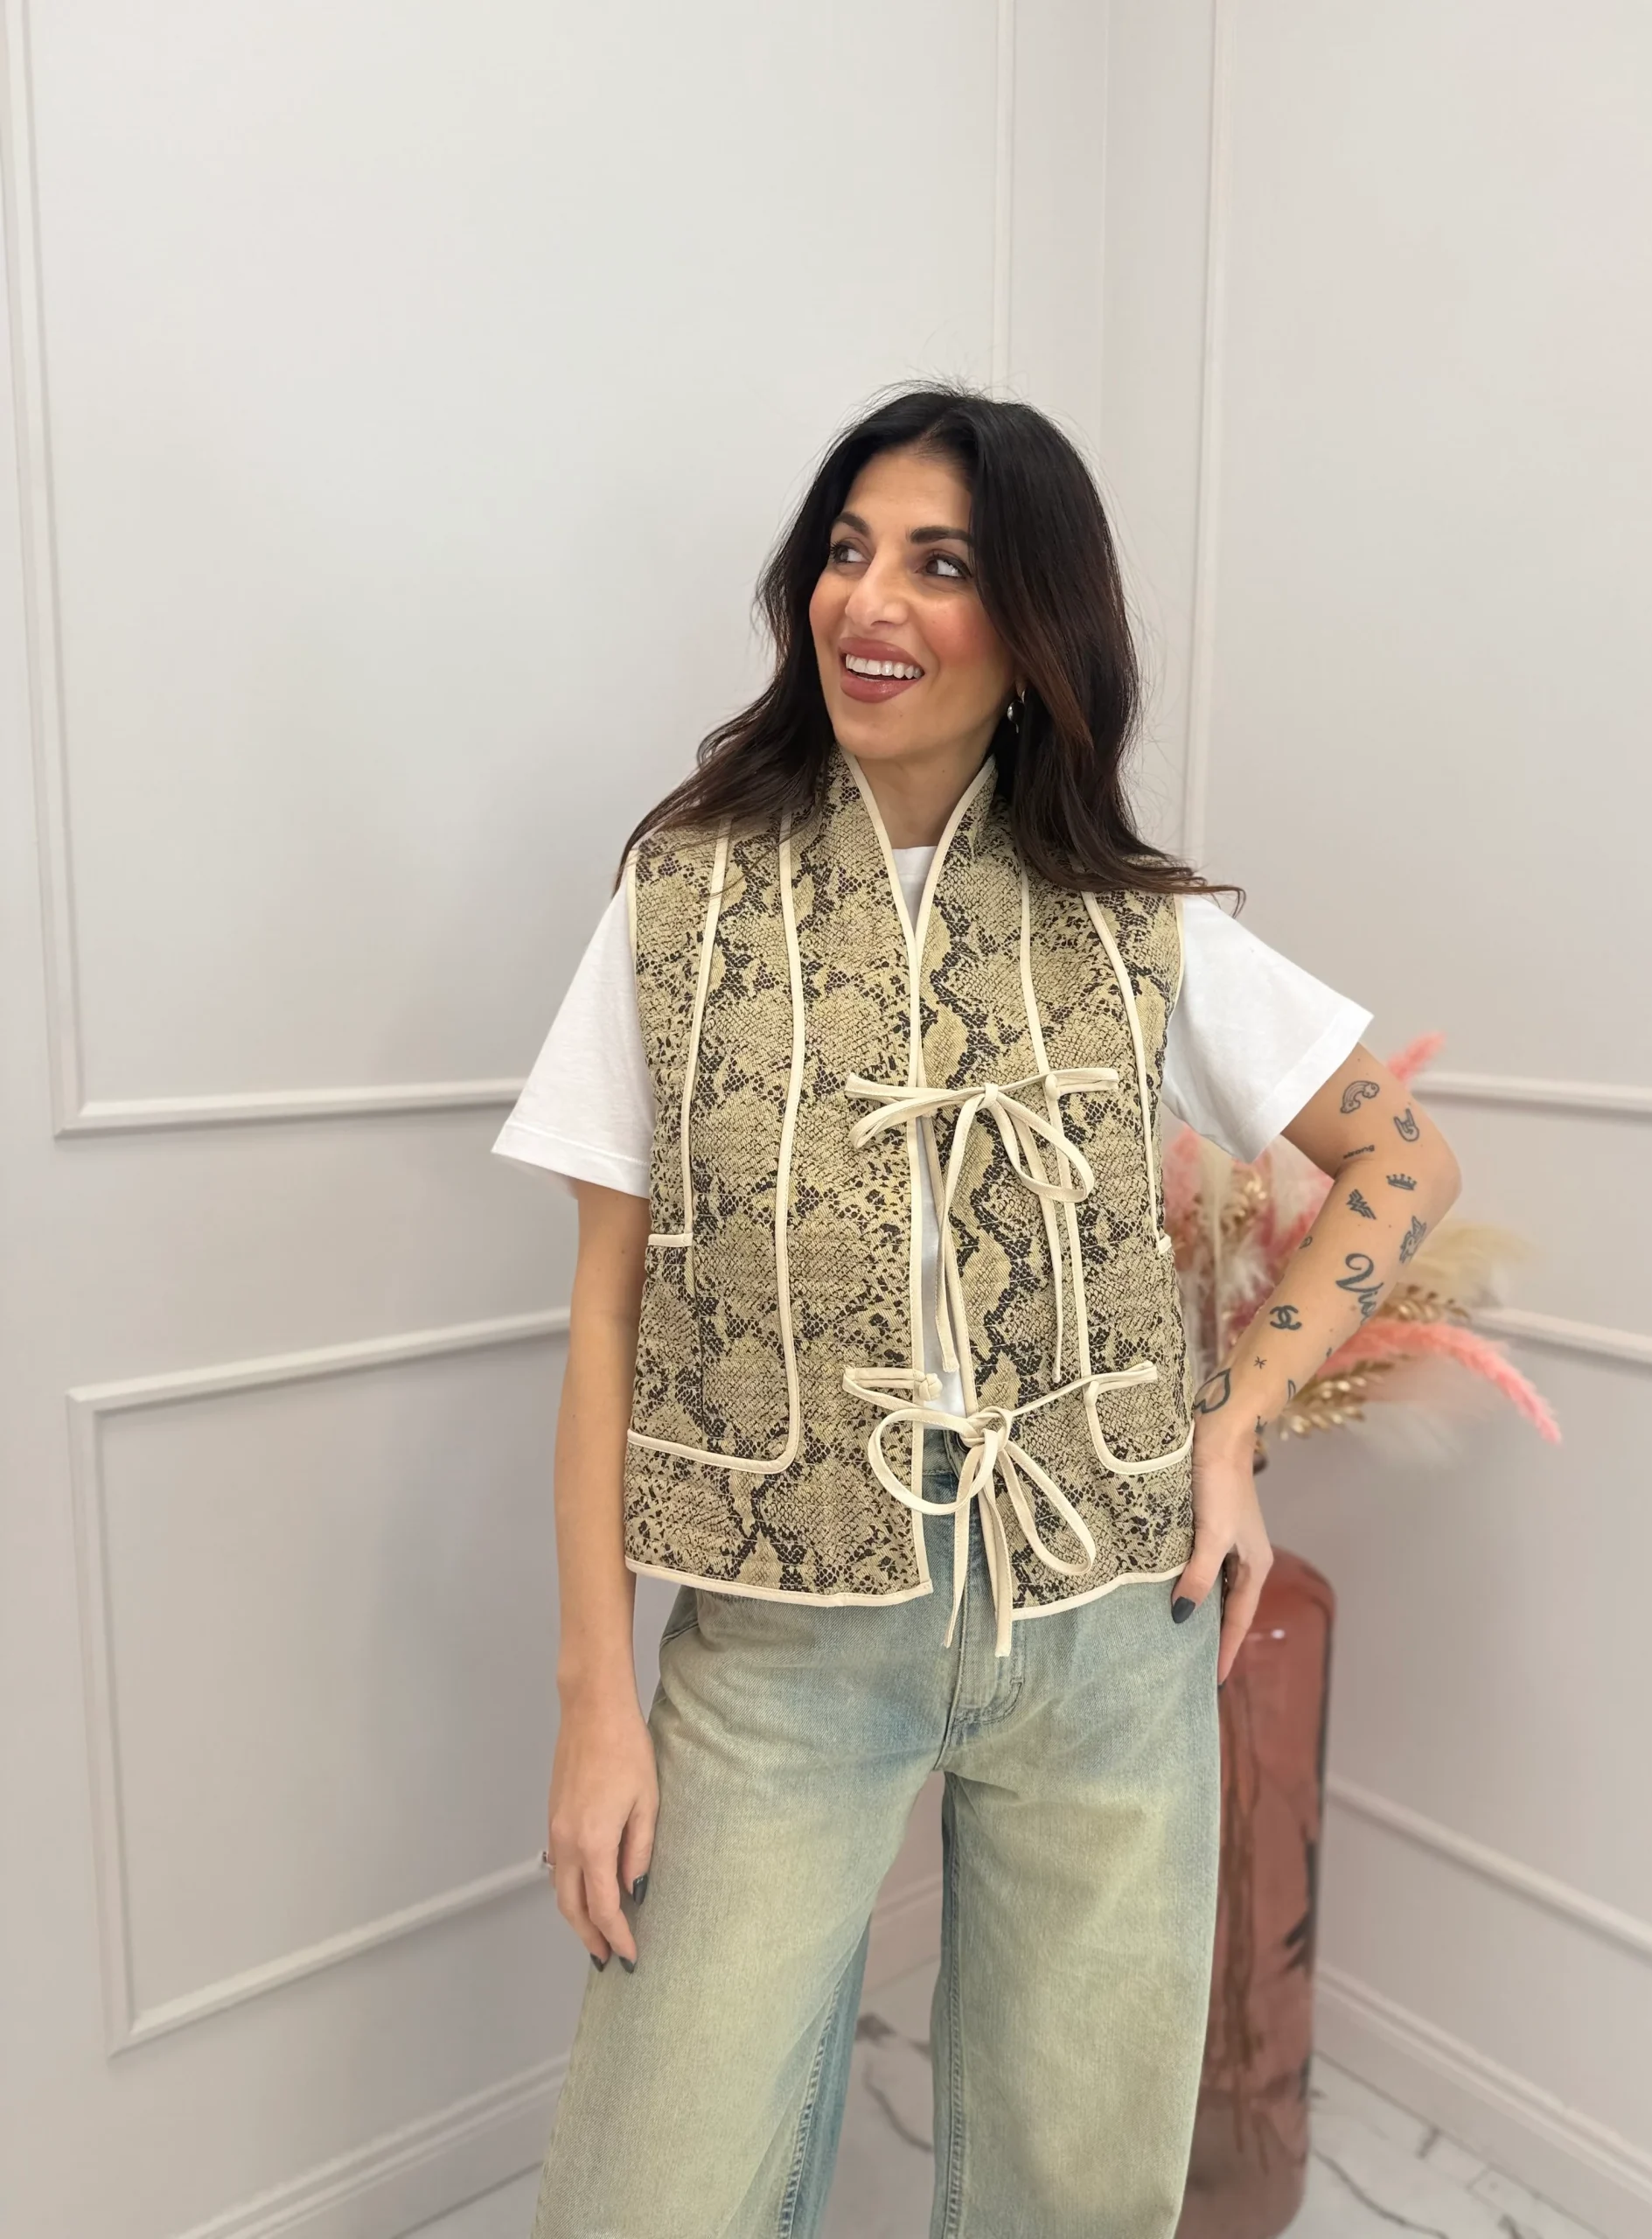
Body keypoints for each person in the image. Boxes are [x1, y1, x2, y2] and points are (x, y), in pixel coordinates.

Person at [491, 383, 1462, 2238]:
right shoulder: (681, 900)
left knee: (1074, 2194)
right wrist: (594, 1698)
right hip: (784, 1633)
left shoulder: (1141, 925)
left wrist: (1233, 1425)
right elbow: (605, 1308)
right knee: (649, 2194)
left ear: (1032, 630)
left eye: (939, 564)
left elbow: (1403, 1161)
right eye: (848, 551)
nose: (871, 600)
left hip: (1109, 1619)